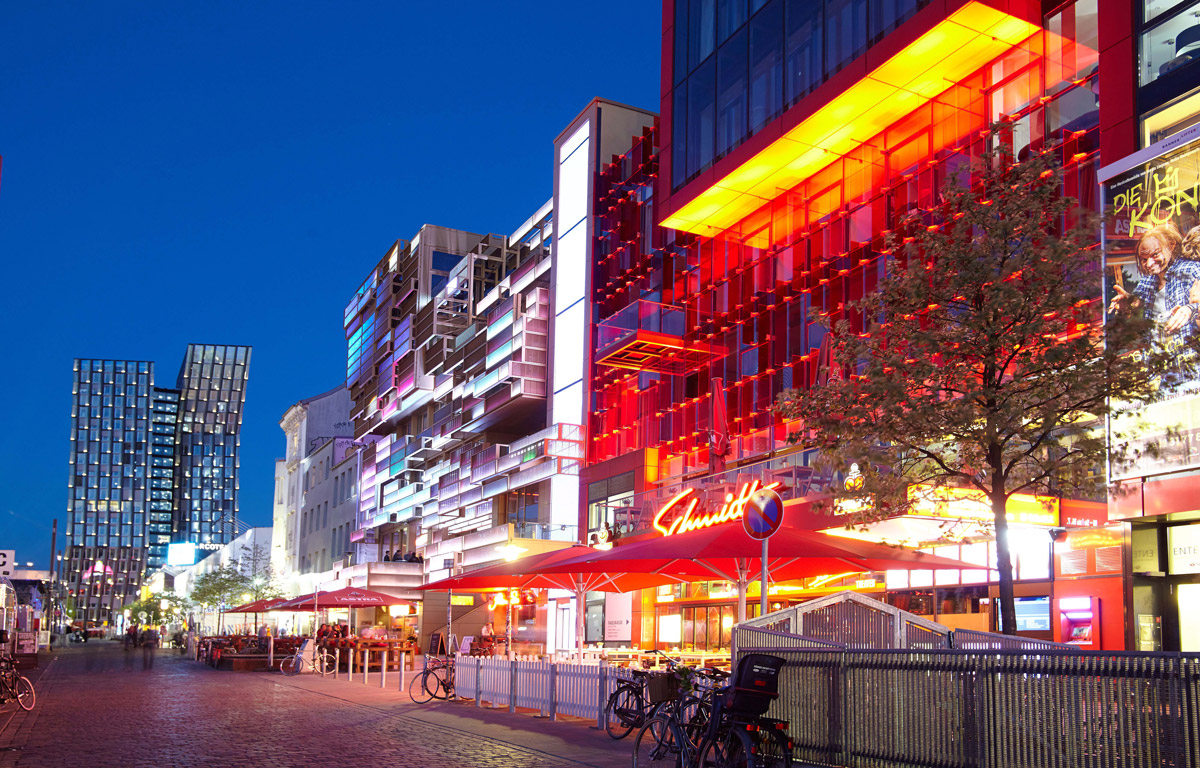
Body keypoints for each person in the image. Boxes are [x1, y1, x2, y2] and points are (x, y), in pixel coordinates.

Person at [1109, 223, 1200, 336]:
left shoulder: (1191, 270)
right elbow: (1136, 304)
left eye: (1155, 254)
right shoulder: (1147, 280)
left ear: (1171, 246)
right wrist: (1128, 303)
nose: (1149, 264)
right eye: (1144, 259)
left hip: (1186, 351)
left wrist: (1190, 309)